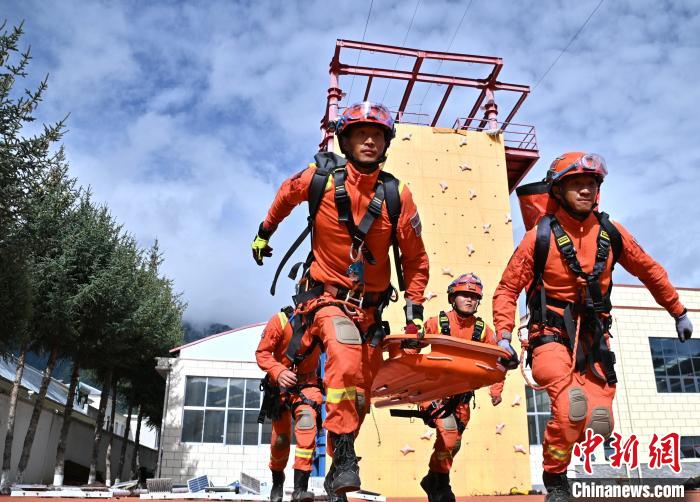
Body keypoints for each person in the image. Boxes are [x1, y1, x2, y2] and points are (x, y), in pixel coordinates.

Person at [251, 101, 430, 498]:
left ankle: (338, 467)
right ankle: (343, 460)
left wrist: (414, 311)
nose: (369, 140)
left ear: (386, 144)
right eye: (360, 134)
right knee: (344, 357)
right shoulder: (319, 180)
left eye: (377, 135)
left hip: (372, 311)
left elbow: (416, 260)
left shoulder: (398, 195)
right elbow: (285, 194)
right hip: (325, 300)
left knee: (358, 397)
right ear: (344, 141)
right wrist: (264, 232)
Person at [493, 152, 694, 501]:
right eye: (576, 183)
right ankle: (555, 478)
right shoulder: (539, 237)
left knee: (600, 421)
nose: (586, 189)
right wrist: (504, 335)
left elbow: (649, 270)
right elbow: (508, 289)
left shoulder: (611, 234)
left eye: (591, 183)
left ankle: (569, 455)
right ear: (558, 191)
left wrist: (678, 311)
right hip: (550, 338)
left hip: (595, 341)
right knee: (571, 409)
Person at [418, 273, 505, 502]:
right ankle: (441, 485)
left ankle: (434, 480)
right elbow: (411, 345)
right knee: (448, 433)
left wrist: (496, 389)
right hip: (434, 392)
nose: (469, 299)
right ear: (452, 298)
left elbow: (498, 361)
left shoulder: (483, 331)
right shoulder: (437, 323)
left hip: (462, 400)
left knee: (453, 443)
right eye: (464, 295)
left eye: (474, 296)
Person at [255, 307, 322, 502]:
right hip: (280, 388)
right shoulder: (281, 320)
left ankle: (300, 489)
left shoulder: (325, 320)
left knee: (307, 425)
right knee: (280, 441)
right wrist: (278, 371)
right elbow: (262, 353)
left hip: (308, 385)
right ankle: (277, 480)